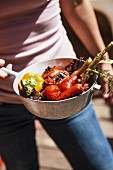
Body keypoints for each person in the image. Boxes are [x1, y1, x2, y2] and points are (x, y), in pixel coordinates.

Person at [0, 0, 113, 170]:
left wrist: (103, 61)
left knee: (100, 165)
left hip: (69, 101)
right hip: (3, 101)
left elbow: (76, 3)